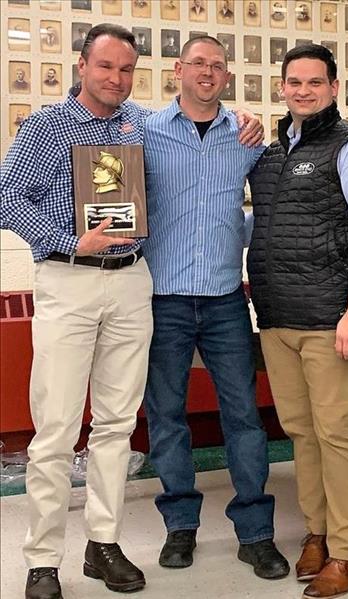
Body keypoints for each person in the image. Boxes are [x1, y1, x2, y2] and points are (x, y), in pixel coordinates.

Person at [1, 24, 152, 599]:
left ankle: (103, 544)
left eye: (127, 69)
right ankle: (42, 561)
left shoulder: (138, 125)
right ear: (82, 65)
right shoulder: (46, 125)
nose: (116, 79)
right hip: (69, 280)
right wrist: (69, 240)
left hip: (132, 282)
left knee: (116, 424)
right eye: (106, 67)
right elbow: (7, 199)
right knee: (57, 429)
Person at [247, 44, 348, 599]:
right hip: (280, 319)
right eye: (294, 82)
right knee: (303, 432)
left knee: (339, 434)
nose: (303, 90)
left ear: (335, 88)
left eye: (315, 82)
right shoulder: (269, 155)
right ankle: (319, 530)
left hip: (337, 319)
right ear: (282, 88)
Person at [141, 34, 289, 581]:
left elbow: (273, 204)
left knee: (244, 418)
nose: (207, 73)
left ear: (227, 76)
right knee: (167, 417)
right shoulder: (145, 132)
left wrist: (240, 232)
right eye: (198, 63)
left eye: (218, 66)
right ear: (178, 68)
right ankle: (180, 526)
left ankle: (255, 534)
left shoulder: (246, 137)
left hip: (227, 297)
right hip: (164, 299)